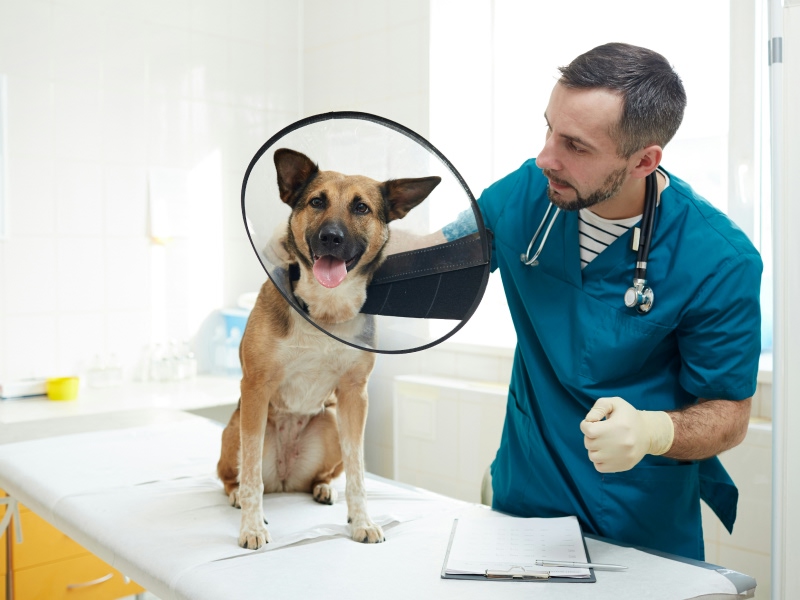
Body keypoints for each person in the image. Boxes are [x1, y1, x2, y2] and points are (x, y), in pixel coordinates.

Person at [439, 42, 762, 561]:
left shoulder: (719, 260)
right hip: (526, 499)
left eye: (575, 145)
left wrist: (656, 430)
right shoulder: (528, 192)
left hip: (637, 519)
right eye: (547, 128)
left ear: (644, 161)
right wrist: (326, 245)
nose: (546, 156)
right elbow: (431, 264)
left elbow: (729, 412)